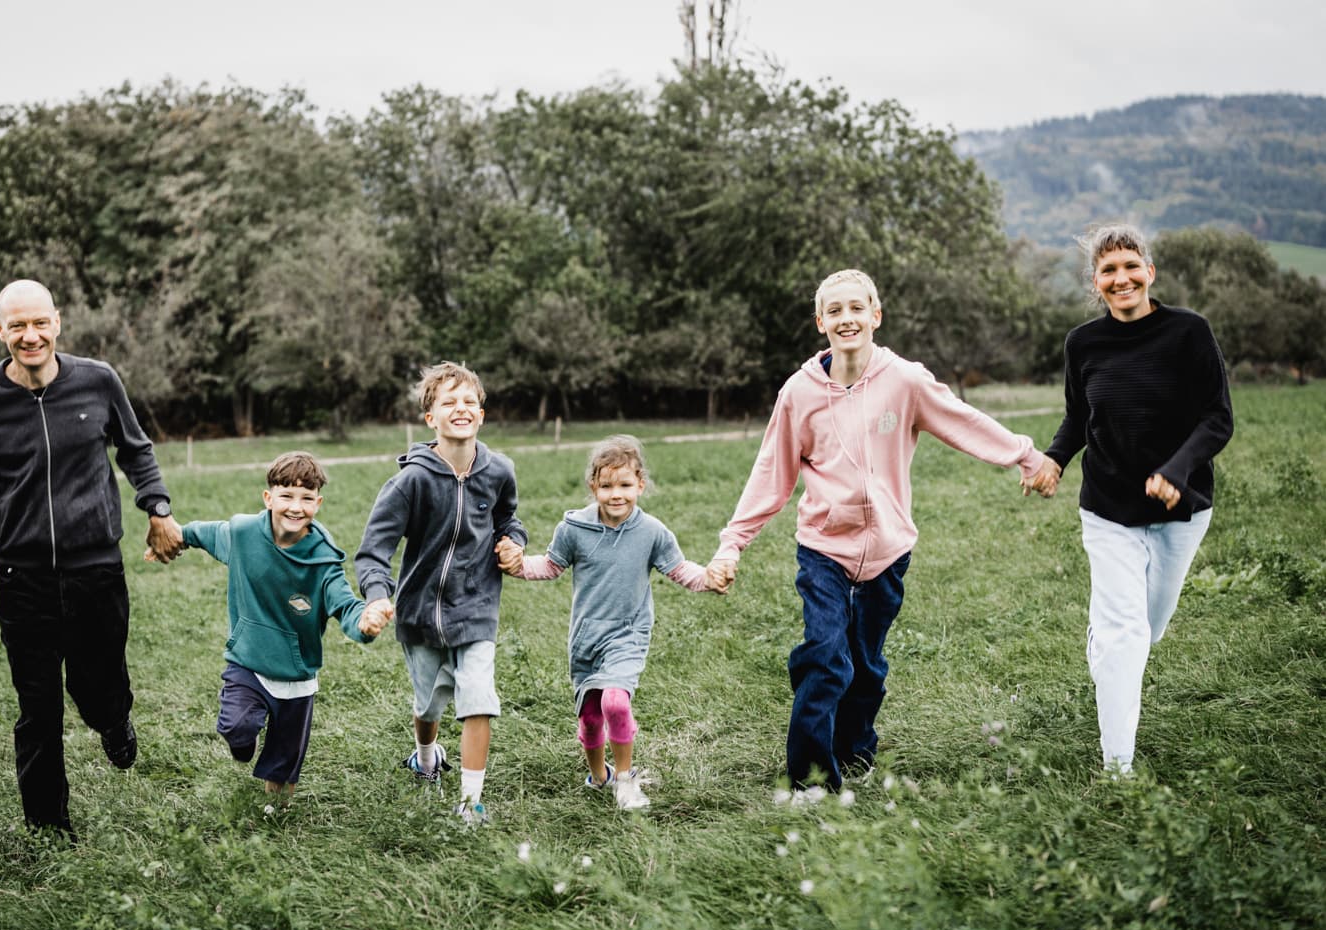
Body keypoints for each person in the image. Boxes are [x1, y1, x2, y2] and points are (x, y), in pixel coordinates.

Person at [706, 269, 1049, 793]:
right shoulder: (799, 393)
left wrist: (1023, 455)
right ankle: (813, 781)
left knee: (865, 666)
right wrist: (732, 544)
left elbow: (961, 420)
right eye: (835, 311)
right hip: (823, 549)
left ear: (875, 315)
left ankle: (856, 749)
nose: (847, 319)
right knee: (824, 658)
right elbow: (770, 476)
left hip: (889, 550)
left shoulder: (905, 380)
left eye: (856, 309)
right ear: (821, 322)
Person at [0, 278, 186, 839]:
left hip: (97, 570)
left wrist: (157, 507)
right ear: (0, 331)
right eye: (16, 325)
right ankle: (48, 830)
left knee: (100, 687)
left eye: (39, 322)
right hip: (23, 578)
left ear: (57, 322)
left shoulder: (98, 381)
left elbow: (136, 450)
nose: (29, 335)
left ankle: (113, 722)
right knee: (39, 708)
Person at [1028, 223, 1233, 777]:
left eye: (1130, 266)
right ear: (1096, 282)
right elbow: (1078, 416)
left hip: (1182, 509)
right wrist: (1054, 459)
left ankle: (1110, 636)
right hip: (1108, 507)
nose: (1121, 279)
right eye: (1108, 271)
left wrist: (1176, 470)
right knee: (1125, 636)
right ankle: (1117, 766)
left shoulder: (1189, 332)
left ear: (1149, 271)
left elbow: (1218, 419)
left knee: (1150, 627)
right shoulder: (1083, 344)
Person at [495, 435, 716, 810]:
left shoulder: (652, 532)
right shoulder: (574, 529)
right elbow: (550, 565)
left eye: (626, 485)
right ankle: (599, 775)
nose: (617, 494)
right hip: (586, 637)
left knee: (616, 701)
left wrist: (710, 577)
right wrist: (516, 566)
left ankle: (626, 781)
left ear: (640, 485)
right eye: (607, 485)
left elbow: (679, 569)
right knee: (592, 717)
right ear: (593, 486)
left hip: (629, 632)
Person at [354, 362, 527, 826]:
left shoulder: (499, 471)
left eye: (469, 401)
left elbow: (509, 520)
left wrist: (515, 544)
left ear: (482, 414)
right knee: (428, 703)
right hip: (418, 613)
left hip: (476, 606)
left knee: (478, 696)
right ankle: (427, 757)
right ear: (430, 417)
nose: (461, 409)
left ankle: (472, 803)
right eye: (449, 402)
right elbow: (374, 551)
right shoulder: (410, 481)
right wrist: (376, 595)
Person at [167, 451, 387, 798]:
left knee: (285, 760)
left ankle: (277, 814)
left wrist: (364, 622)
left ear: (319, 502)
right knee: (237, 727)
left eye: (306, 498)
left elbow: (345, 605)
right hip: (248, 659)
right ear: (268, 498)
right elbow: (204, 533)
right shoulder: (243, 534)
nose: (295, 507)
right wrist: (173, 537)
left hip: (296, 674)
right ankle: (244, 742)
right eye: (286, 496)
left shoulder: (323, 562)